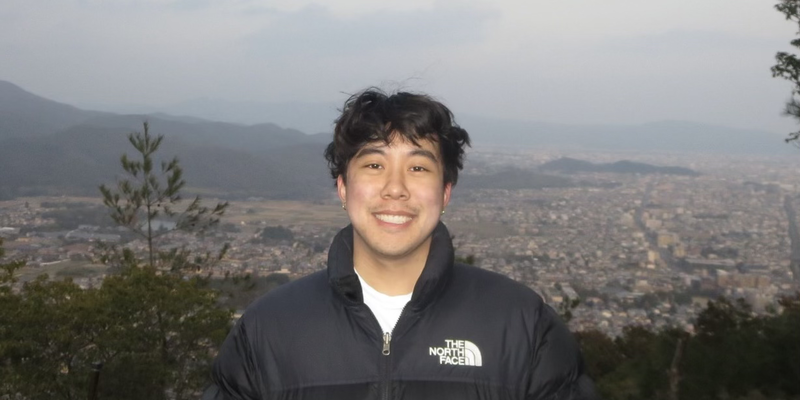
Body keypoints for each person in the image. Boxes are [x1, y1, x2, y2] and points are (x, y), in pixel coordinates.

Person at [206, 88, 599, 399]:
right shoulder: (268, 330)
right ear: (343, 187)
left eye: (418, 167)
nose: (395, 188)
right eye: (374, 165)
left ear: (445, 192)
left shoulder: (522, 326)